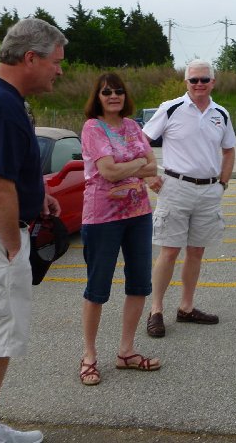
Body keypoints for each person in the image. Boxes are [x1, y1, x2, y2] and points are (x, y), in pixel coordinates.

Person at [0, 18, 66, 443]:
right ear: (30, 57)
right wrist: (13, 247)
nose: (59, 70)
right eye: (55, 61)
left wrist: (39, 193)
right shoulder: (0, 104)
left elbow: (7, 169)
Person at [143, 60, 236, 338]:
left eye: (204, 80)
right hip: (176, 187)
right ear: (186, 82)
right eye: (193, 80)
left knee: (196, 251)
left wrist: (222, 184)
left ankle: (186, 307)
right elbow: (140, 141)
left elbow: (229, 151)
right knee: (169, 251)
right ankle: (156, 310)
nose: (199, 84)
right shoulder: (171, 108)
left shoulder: (221, 114)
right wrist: (148, 176)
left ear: (213, 82)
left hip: (209, 191)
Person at [79, 73, 160, 386]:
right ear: (97, 97)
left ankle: (126, 352)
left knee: (139, 284)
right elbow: (108, 172)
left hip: (139, 214)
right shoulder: (92, 128)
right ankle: (88, 355)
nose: (113, 96)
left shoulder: (132, 126)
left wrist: (132, 168)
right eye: (106, 91)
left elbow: (153, 165)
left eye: (118, 91)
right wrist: (137, 165)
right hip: (102, 218)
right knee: (97, 289)